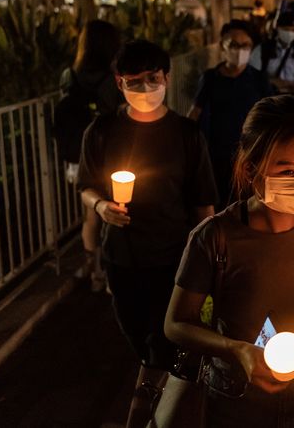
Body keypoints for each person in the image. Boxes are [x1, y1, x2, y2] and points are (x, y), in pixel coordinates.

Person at [165, 95, 294, 427]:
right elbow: (176, 323)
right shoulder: (215, 236)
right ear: (251, 168)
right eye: (288, 170)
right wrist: (236, 350)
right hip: (234, 402)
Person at [77, 39, 218, 428]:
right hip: (123, 258)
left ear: (166, 78)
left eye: (151, 78)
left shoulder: (187, 135)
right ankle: (156, 403)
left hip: (174, 259)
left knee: (162, 342)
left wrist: (210, 266)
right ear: (119, 83)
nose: (144, 88)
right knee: (141, 340)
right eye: (133, 81)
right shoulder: (102, 131)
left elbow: (203, 205)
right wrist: (101, 206)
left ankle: (142, 414)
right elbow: (86, 185)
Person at [57, 19, 123, 291]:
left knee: (90, 214)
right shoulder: (111, 79)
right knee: (108, 211)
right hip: (106, 154)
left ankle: (94, 270)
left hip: (76, 156)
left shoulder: (69, 75)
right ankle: (109, 272)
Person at [188, 20, 270, 209]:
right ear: (222, 47)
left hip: (251, 153)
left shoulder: (259, 79)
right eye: (233, 45)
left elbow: (270, 115)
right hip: (217, 154)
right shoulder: (210, 78)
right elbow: (195, 111)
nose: (239, 50)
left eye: (245, 45)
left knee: (249, 204)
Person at [249, 11, 294, 97]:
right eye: (286, 29)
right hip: (268, 99)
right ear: (277, 28)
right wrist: (273, 82)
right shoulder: (262, 50)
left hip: (292, 101)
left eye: (293, 30)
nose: (290, 33)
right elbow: (251, 77)